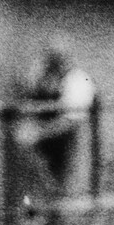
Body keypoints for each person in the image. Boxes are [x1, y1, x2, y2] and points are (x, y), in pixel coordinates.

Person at [18, 42, 97, 193]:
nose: (52, 64)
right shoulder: (43, 76)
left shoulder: (79, 80)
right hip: (43, 147)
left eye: (57, 59)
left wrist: (37, 133)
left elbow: (70, 121)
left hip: (67, 145)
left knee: (63, 192)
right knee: (39, 192)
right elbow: (28, 100)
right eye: (51, 58)